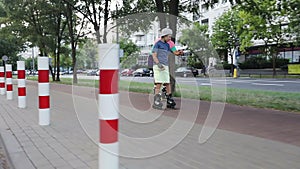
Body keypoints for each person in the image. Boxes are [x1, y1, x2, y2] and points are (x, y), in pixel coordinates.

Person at [152, 28, 181, 109]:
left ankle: (169, 99)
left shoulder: (168, 45)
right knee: (159, 83)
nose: (170, 38)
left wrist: (179, 53)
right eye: (168, 36)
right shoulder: (157, 44)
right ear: (164, 36)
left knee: (167, 83)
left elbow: (174, 52)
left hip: (165, 66)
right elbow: (154, 55)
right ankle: (156, 101)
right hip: (158, 65)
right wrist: (158, 63)